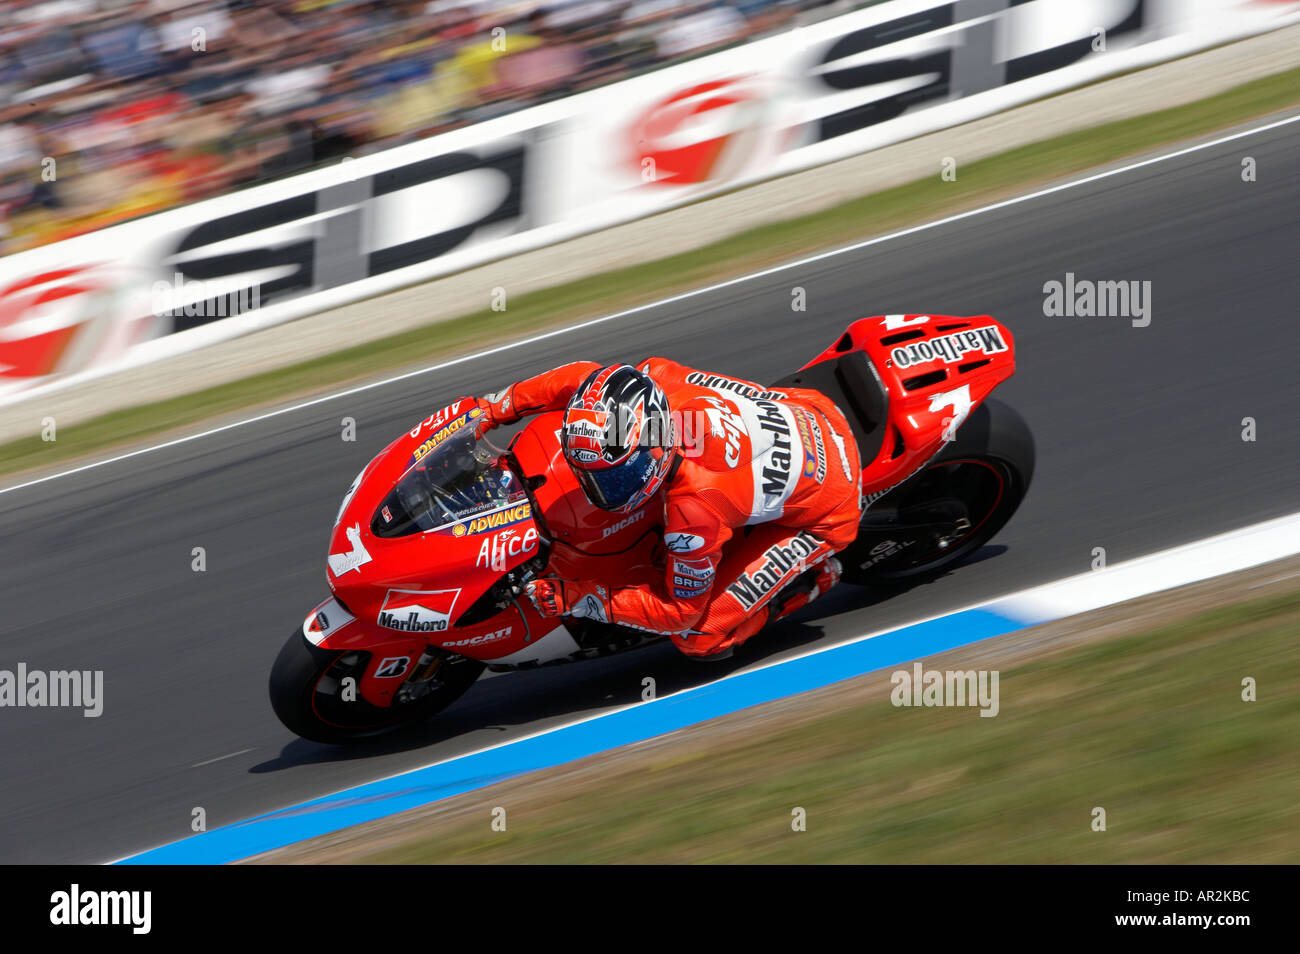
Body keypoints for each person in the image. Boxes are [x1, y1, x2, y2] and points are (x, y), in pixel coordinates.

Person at [475, 358, 863, 659]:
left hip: (830, 507)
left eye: (609, 479)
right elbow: (582, 380)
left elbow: (680, 612)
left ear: (652, 454)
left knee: (699, 637)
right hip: (807, 408)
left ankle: (813, 580)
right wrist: (492, 409)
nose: (596, 489)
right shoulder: (651, 381)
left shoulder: (694, 514)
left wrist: (577, 596)